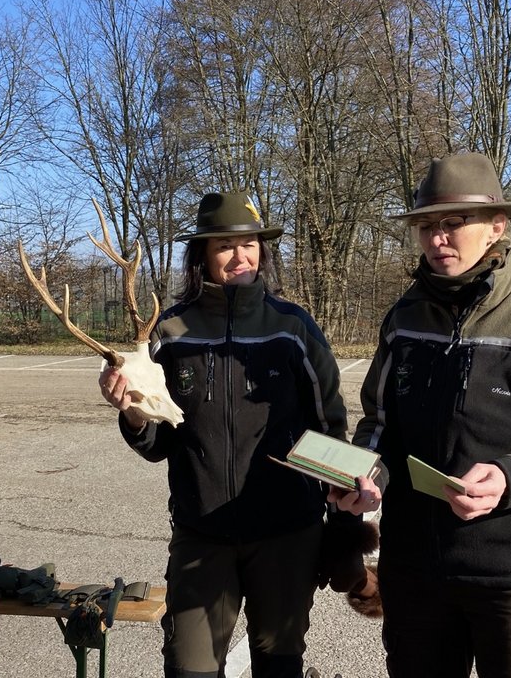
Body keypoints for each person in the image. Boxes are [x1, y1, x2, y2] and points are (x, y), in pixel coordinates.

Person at [328, 152, 511, 678]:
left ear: (497, 226)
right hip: (414, 574)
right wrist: (366, 473)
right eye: (427, 225)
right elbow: (379, 424)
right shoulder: (403, 318)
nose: (437, 238)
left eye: (453, 223)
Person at [99, 191, 377, 678]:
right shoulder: (171, 331)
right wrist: (134, 416)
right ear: (203, 254)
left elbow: (330, 425)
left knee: (280, 663)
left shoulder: (293, 328)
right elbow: (158, 444)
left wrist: (345, 519)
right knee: (189, 667)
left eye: (249, 243)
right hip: (201, 534)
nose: (240, 256)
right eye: (225, 246)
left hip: (287, 535)